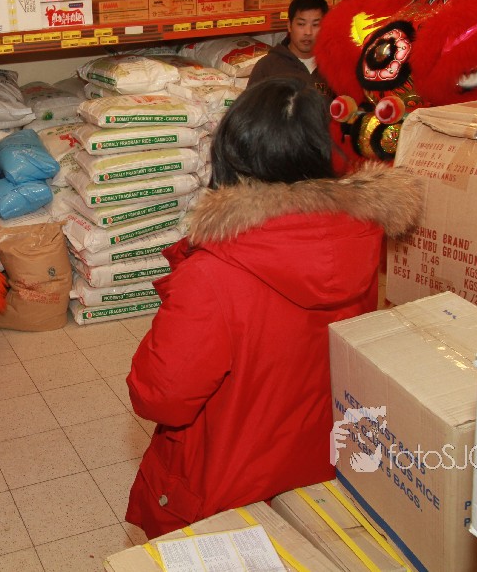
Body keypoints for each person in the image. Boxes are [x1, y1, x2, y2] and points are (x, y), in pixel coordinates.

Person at [124, 77, 423, 539]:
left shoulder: (213, 272)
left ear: (231, 152)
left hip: (226, 488)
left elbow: (159, 396)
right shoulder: (358, 240)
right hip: (321, 470)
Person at [247, 0, 331, 98]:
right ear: (289, 26)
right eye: (301, 24)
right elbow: (251, 107)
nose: (308, 32)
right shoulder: (268, 67)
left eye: (316, 25)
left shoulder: (334, 66)